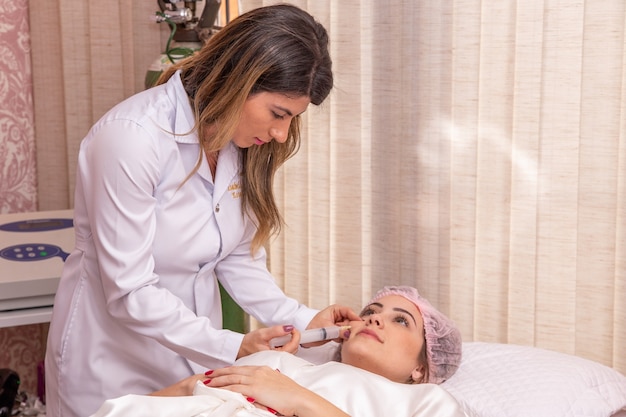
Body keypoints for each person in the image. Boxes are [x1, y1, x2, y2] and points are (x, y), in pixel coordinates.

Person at [44, 5, 361, 417]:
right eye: (278, 114)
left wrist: (304, 321)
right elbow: (130, 291)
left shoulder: (239, 144)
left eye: (292, 119)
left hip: (193, 360)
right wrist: (231, 345)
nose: (281, 133)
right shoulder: (132, 138)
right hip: (110, 360)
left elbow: (236, 259)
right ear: (237, 79)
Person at [90, 286, 464, 417]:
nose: (374, 320)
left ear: (422, 366)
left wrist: (299, 400)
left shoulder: (427, 402)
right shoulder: (280, 362)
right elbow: (189, 389)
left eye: (401, 322)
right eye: (370, 312)